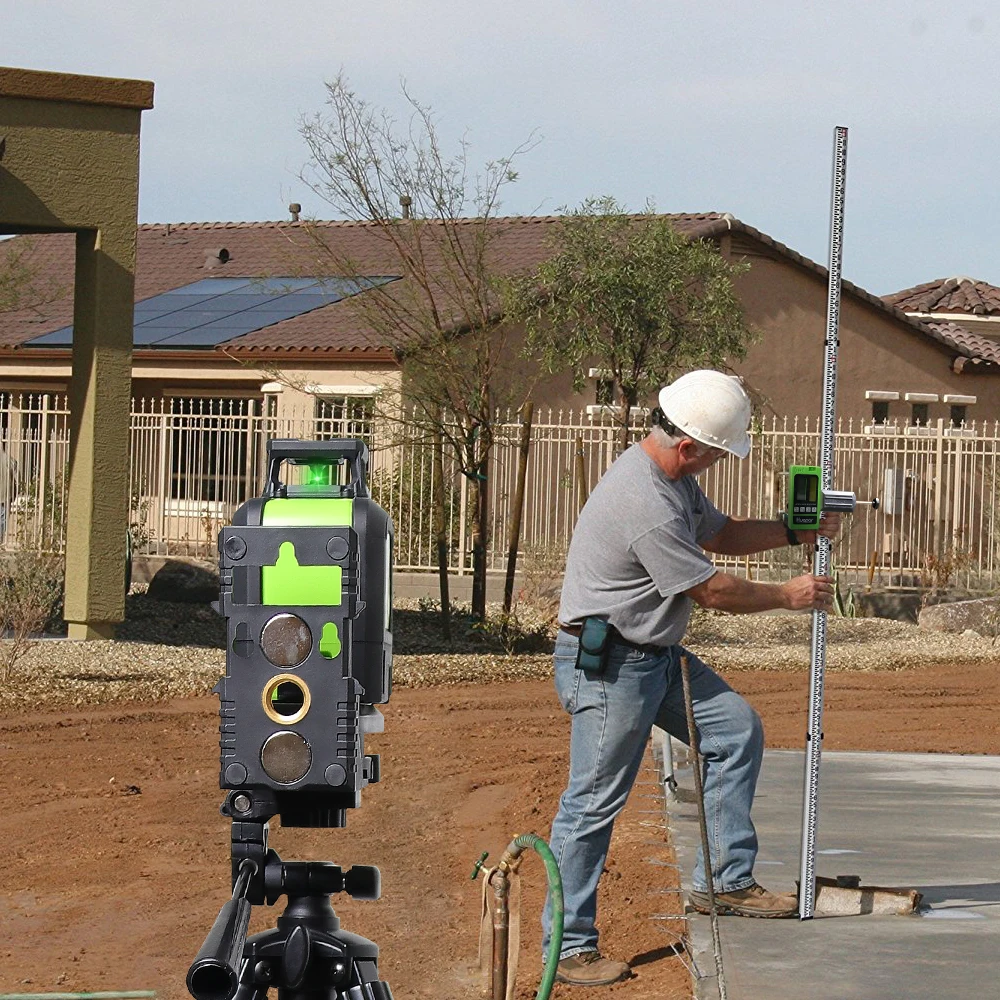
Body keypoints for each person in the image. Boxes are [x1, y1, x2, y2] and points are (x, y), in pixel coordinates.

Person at [543, 369, 840, 986]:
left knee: (735, 732)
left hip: (652, 655)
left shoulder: (670, 480)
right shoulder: (645, 500)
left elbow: (723, 533)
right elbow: (710, 589)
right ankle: (568, 947)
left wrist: (791, 530)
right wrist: (788, 595)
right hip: (610, 667)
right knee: (593, 803)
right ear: (688, 447)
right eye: (714, 454)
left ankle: (725, 883)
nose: (714, 465)